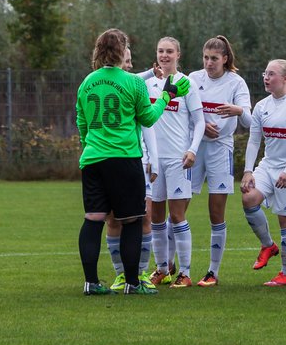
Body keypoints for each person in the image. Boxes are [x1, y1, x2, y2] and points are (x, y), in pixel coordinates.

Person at [76, 28, 189, 296]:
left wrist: (92, 146)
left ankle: (91, 283)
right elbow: (148, 118)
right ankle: (132, 282)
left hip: (92, 159)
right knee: (132, 221)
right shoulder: (132, 82)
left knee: (93, 220)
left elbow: (82, 124)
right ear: (121, 51)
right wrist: (166, 96)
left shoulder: (87, 82)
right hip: (124, 159)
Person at [187, 36, 253, 287]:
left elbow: (249, 121)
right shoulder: (193, 79)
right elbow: (183, 113)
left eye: (214, 58)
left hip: (220, 150)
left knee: (216, 211)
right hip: (194, 149)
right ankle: (170, 267)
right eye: (205, 57)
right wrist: (201, 126)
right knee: (178, 207)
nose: (209, 63)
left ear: (225, 59)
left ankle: (212, 272)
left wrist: (238, 111)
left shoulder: (236, 83)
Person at [241, 59, 286, 287]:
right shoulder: (262, 106)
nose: (265, 77)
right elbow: (254, 141)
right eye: (265, 73)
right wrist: (248, 171)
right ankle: (268, 245)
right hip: (268, 165)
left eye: (271, 74)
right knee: (248, 198)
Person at [143, 37, 200, 288]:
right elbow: (144, 122)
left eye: (169, 51)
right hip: (154, 161)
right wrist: (146, 155)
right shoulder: (147, 85)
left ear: (178, 54)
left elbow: (199, 122)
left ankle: (185, 272)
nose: (164, 55)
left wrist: (192, 150)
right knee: (155, 216)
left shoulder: (186, 83)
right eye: (160, 51)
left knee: (177, 216)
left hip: (178, 159)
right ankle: (162, 268)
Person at [103, 46, 160, 293]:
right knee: (113, 218)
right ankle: (119, 275)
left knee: (144, 216)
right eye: (126, 60)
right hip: (113, 161)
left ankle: (140, 273)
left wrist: (153, 161)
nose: (129, 64)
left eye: (130, 61)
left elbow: (148, 128)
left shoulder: (135, 86)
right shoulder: (112, 86)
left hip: (137, 162)